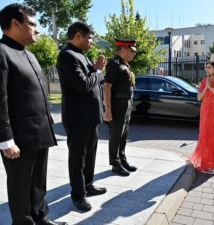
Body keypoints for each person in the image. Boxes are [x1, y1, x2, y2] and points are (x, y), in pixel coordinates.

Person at [0, 3, 68, 225]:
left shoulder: (29, 54)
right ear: (14, 23)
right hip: (18, 137)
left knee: (38, 181)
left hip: (39, 132)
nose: (36, 30)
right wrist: (5, 140)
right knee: (20, 186)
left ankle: (41, 217)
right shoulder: (2, 52)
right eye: (32, 24)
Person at [56, 21, 107, 212]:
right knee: (78, 157)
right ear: (77, 35)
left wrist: (94, 69)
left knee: (91, 153)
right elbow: (84, 85)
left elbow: (89, 80)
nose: (91, 41)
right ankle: (78, 195)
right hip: (78, 118)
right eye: (89, 37)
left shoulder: (81, 56)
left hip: (91, 117)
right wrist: (99, 71)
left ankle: (88, 185)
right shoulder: (67, 56)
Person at [103, 38, 138, 176]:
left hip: (126, 104)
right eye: (131, 51)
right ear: (123, 50)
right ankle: (115, 163)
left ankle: (122, 159)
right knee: (115, 135)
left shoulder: (125, 64)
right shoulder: (114, 64)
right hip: (117, 105)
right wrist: (108, 110)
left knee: (123, 134)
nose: (134, 54)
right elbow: (106, 87)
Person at [188, 59, 214, 174]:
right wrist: (206, 87)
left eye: (209, 67)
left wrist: (211, 88)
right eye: (206, 67)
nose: (207, 69)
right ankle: (205, 162)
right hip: (205, 109)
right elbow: (199, 97)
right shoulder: (204, 80)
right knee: (205, 135)